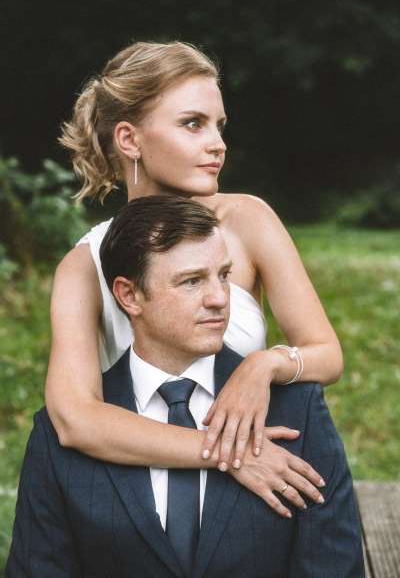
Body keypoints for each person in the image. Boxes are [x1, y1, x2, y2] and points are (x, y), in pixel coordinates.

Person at [45, 41, 344, 516]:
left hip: (253, 500)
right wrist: (225, 453)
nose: (217, 143)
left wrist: (263, 365)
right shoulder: (84, 266)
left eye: (219, 125)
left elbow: (326, 354)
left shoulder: (246, 221)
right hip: (142, 492)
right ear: (130, 140)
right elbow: (74, 418)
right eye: (192, 124)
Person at [6, 197, 364, 577]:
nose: (219, 299)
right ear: (129, 296)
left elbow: (333, 566)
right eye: (192, 281)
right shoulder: (58, 437)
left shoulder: (297, 412)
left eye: (223, 276)